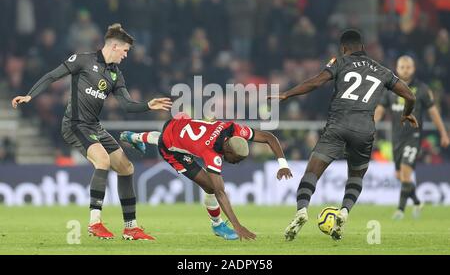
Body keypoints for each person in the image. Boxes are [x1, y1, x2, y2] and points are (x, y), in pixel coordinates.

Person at [11, 23, 172, 240]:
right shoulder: (83, 60)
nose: (125, 55)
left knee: (126, 168)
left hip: (94, 127)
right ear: (114, 46)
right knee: (103, 161)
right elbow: (52, 76)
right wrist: (30, 95)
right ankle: (95, 223)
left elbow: (126, 105)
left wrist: (147, 105)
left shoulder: (116, 75)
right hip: (75, 124)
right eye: (125, 51)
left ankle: (131, 228)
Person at [269, 29, 417, 241]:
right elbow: (409, 95)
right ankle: (344, 212)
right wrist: (406, 114)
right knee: (356, 177)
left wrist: (287, 93)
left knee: (312, 172)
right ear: (363, 47)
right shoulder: (382, 70)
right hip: (365, 130)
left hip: (338, 125)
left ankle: (301, 211)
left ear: (344, 49)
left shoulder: (340, 62)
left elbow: (317, 81)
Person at [119, 113, 293, 240]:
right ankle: (217, 225)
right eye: (236, 159)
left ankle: (134, 136)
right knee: (210, 186)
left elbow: (269, 137)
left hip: (177, 123)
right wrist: (237, 225)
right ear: (228, 151)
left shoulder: (233, 129)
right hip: (172, 150)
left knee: (172, 137)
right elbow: (220, 192)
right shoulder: (211, 153)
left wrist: (283, 164)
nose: (236, 162)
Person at [374, 55, 449, 220]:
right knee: (399, 176)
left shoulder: (422, 89)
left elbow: (433, 112)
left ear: (413, 69)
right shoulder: (390, 89)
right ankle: (416, 202)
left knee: (406, 173)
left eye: (408, 67)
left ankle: (400, 210)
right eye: (402, 67)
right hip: (397, 138)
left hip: (413, 137)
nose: (405, 70)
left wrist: (443, 133)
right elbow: (380, 109)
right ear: (397, 69)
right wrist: (371, 124)